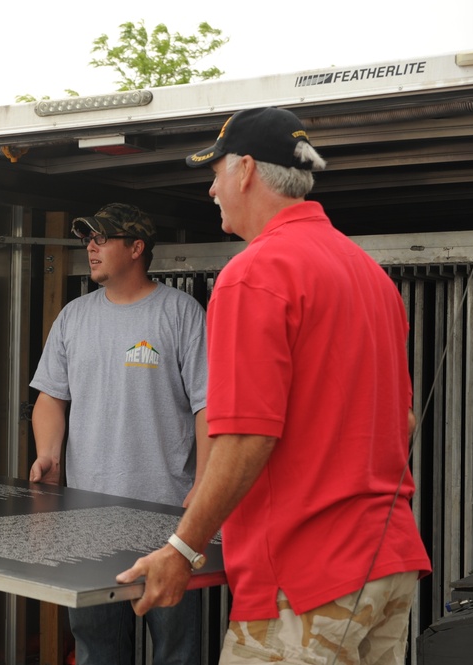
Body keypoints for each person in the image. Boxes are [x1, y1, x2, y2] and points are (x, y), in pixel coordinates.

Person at [117, 107, 432, 664]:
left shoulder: (253, 272)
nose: (210, 189)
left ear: (244, 170)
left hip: (306, 580)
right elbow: (401, 422)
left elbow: (247, 436)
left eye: (214, 173)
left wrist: (181, 549)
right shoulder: (372, 275)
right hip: (389, 562)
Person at [29, 203, 209, 665]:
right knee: (96, 652)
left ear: (136, 248)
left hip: (167, 526)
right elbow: (50, 397)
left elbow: (208, 409)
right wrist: (48, 455)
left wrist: (204, 492)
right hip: (86, 524)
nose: (90, 246)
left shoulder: (181, 313)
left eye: (101, 238)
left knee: (176, 654)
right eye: (87, 238)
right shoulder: (73, 316)